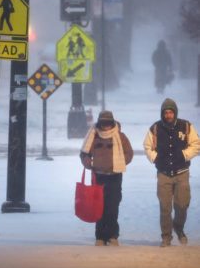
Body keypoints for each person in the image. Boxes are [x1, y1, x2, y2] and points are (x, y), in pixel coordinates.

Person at [143, 98, 200, 247]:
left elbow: (196, 144)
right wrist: (155, 158)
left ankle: (178, 227)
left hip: (182, 172)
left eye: (170, 112)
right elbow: (147, 146)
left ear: (175, 113)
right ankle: (166, 237)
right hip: (163, 173)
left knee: (182, 205)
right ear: (162, 113)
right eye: (166, 112)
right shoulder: (155, 128)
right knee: (165, 207)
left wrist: (184, 154)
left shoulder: (186, 126)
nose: (168, 115)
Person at [80, 110, 134, 246]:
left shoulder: (121, 136)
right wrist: (87, 161)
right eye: (103, 124)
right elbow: (84, 153)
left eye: (108, 123)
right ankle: (100, 237)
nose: (106, 127)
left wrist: (121, 161)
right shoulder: (93, 136)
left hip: (115, 176)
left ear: (112, 123)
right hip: (98, 176)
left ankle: (112, 236)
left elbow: (129, 153)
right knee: (99, 207)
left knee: (112, 207)